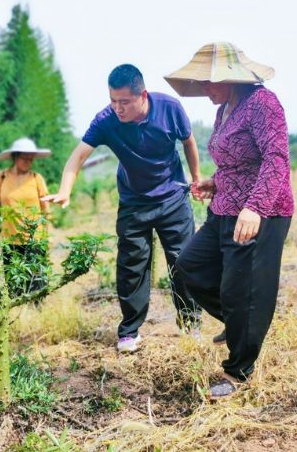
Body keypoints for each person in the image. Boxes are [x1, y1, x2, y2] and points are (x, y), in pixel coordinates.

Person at [165, 42, 294, 399]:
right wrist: (214, 181)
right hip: (224, 207)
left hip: (260, 211)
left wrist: (256, 207)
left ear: (231, 77)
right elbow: (235, 162)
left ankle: (238, 372)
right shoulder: (225, 109)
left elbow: (275, 158)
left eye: (210, 82)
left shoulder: (262, 104)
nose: (205, 89)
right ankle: (240, 323)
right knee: (189, 266)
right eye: (201, 83)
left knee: (243, 289)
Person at [44, 64, 203, 353]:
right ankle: (129, 331)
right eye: (113, 101)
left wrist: (196, 179)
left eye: (124, 102)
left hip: (172, 199)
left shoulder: (170, 108)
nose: (118, 108)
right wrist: (65, 191)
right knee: (132, 266)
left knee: (183, 262)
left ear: (142, 95)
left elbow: (188, 142)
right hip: (134, 202)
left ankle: (190, 324)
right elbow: (78, 156)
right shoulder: (106, 120)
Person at [0, 137, 51, 298]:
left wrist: (47, 234)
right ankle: (19, 319)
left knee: (37, 284)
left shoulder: (36, 178)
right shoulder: (1, 178)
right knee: (14, 287)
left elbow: (46, 209)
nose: (28, 162)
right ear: (15, 157)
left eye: (31, 159)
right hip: (10, 241)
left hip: (35, 238)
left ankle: (38, 317)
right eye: (25, 158)